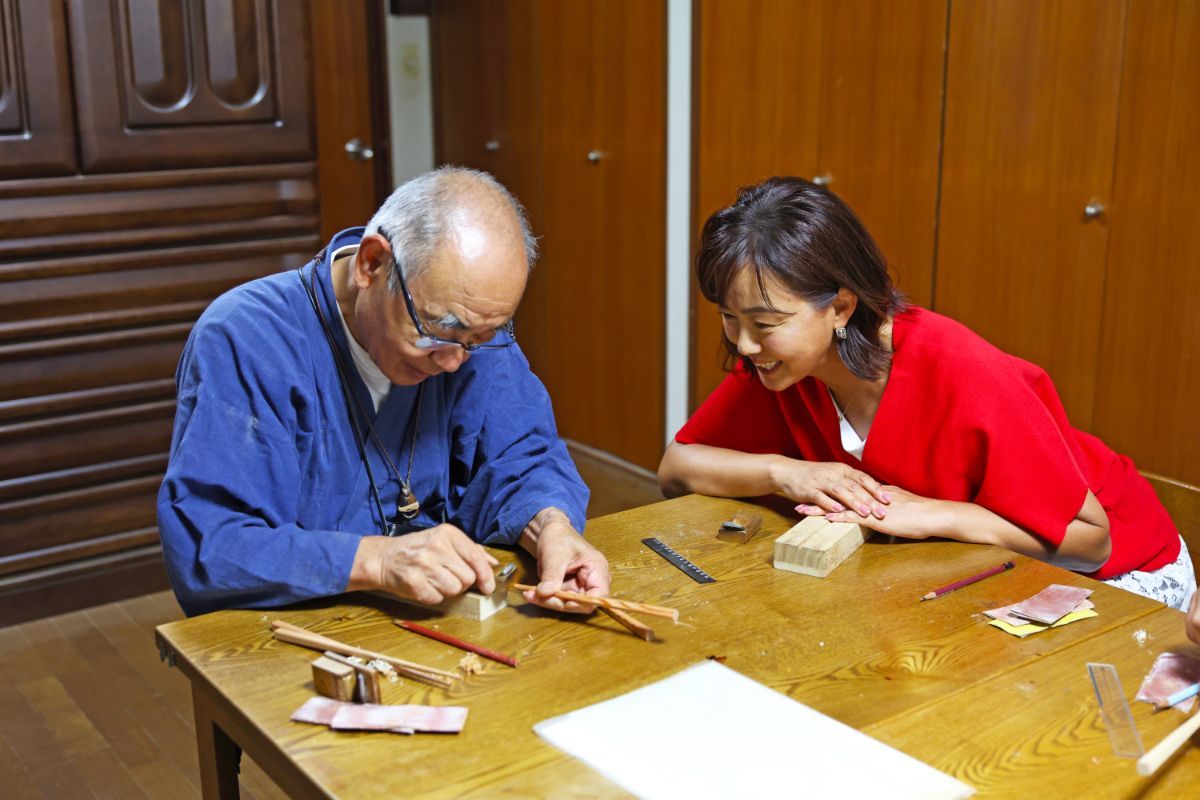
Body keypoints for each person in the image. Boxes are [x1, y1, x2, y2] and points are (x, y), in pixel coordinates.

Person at [658, 176, 1195, 609]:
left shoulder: (959, 368)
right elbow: (677, 466)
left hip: (1127, 576)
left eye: (765, 322)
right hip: (978, 564)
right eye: (729, 319)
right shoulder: (781, 362)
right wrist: (788, 471)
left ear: (841, 307)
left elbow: (1089, 540)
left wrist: (929, 514)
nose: (745, 344)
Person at [158, 167, 610, 617]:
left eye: (482, 338)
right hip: (292, 630)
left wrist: (550, 527)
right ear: (371, 263)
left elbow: (521, 456)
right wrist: (377, 560)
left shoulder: (468, 327)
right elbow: (213, 543)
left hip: (439, 619)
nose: (455, 361)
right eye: (440, 332)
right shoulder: (248, 338)